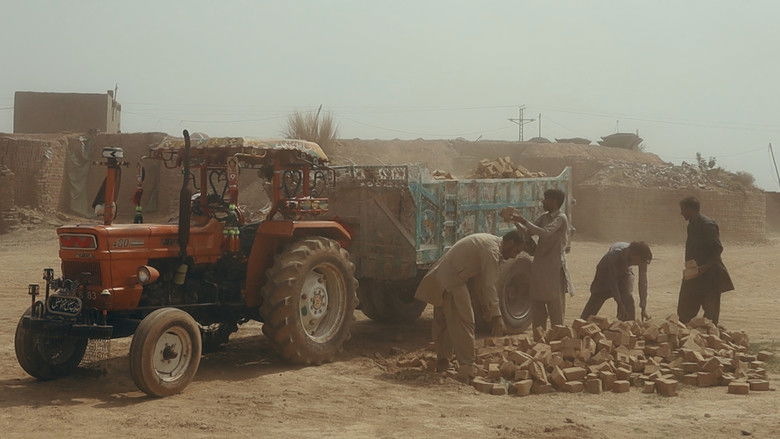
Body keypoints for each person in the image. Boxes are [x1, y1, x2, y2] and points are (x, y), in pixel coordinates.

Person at [414, 231, 524, 379]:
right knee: (465, 321)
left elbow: (480, 283)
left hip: (446, 276)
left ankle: (443, 361)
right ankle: (467, 366)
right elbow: (489, 285)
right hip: (452, 279)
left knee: (447, 321)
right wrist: (496, 315)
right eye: (515, 251)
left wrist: (486, 308)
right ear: (510, 242)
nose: (514, 256)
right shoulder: (491, 250)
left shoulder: (489, 243)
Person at [506, 189, 572, 332]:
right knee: (537, 308)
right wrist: (515, 222)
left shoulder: (561, 218)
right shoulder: (544, 217)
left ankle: (558, 344)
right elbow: (528, 232)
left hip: (554, 269)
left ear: (554, 201)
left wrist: (523, 220)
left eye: (545, 199)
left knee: (556, 310)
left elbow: (545, 233)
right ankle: (538, 344)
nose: (543, 201)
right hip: (539, 268)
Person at [677, 197, 734, 324]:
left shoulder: (707, 224)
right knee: (685, 311)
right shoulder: (692, 224)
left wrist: (704, 268)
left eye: (683, 209)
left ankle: (711, 341)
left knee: (710, 315)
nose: (681, 213)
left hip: (710, 275)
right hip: (694, 274)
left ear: (691, 209)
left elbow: (717, 249)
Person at [581, 241, 653, 322]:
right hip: (605, 272)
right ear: (634, 255)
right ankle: (582, 324)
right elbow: (612, 282)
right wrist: (619, 303)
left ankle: (628, 328)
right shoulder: (613, 257)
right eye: (639, 262)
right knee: (598, 295)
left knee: (627, 299)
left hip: (625, 272)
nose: (639, 265)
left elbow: (643, 282)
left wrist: (643, 307)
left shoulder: (642, 258)